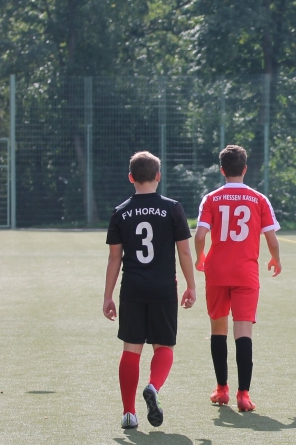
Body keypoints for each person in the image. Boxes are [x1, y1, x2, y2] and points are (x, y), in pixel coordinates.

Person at [103, 152, 196, 429]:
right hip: (163, 287)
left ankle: (128, 413)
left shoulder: (120, 211)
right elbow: (184, 251)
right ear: (158, 176)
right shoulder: (172, 208)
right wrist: (191, 285)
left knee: (131, 349)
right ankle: (153, 387)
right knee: (164, 345)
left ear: (130, 177)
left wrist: (108, 296)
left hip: (132, 287)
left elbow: (114, 258)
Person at [194, 145, 282, 412]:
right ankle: (244, 395)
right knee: (243, 332)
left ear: (222, 171)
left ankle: (222, 389)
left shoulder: (211, 199)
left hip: (217, 272)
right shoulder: (259, 199)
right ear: (245, 169)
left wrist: (200, 257)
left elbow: (200, 235)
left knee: (218, 329)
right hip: (246, 273)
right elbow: (272, 239)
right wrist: (275, 259)